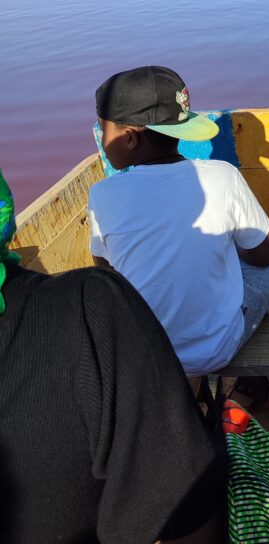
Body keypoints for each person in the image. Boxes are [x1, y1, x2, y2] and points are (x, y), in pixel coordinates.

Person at [0, 167, 227, 544]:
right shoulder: (91, 309)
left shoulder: (105, 195)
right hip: (217, 345)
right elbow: (188, 512)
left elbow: (101, 259)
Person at [87, 65, 269, 376]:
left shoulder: (103, 194)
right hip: (216, 350)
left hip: (144, 353)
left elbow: (106, 272)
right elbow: (263, 257)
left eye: (102, 128)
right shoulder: (223, 175)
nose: (100, 137)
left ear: (130, 138)